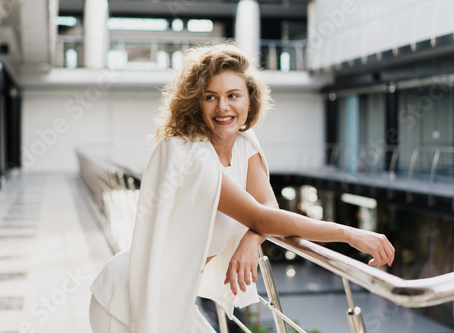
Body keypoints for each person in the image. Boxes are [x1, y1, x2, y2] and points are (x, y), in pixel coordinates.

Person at [89, 44, 395, 332]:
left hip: (176, 298)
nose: (223, 107)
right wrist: (348, 233)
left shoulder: (245, 145)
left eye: (233, 95)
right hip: (127, 298)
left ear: (250, 100)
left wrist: (251, 240)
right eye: (210, 96)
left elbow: (266, 211)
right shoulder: (190, 154)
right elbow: (261, 217)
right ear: (196, 102)